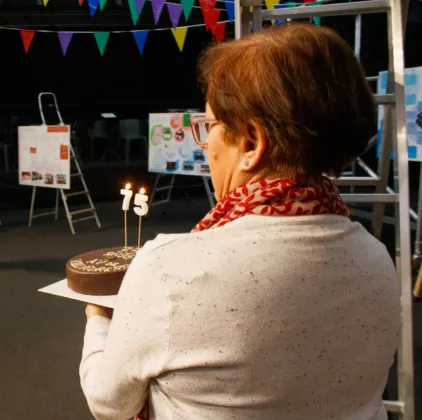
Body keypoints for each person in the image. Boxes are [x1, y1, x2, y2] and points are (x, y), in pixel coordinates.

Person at [79, 24, 401, 420]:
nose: (206, 147)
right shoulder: (377, 257)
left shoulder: (169, 269)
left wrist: (98, 321)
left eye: (209, 126)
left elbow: (110, 403)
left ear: (251, 142)